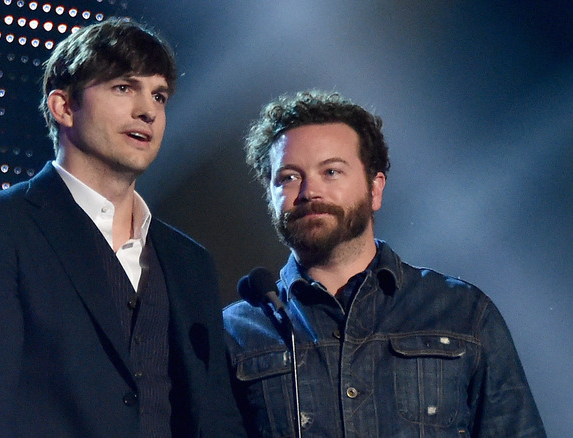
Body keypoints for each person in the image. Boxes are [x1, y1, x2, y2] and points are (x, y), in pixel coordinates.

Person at [0, 18, 245, 438]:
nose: (148, 110)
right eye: (124, 87)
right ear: (63, 106)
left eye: (159, 95)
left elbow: (216, 419)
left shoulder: (188, 260)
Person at [223, 89, 545, 437]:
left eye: (331, 171)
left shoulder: (462, 312)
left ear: (375, 189)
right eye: (288, 177)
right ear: (270, 196)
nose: (309, 191)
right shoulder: (235, 334)